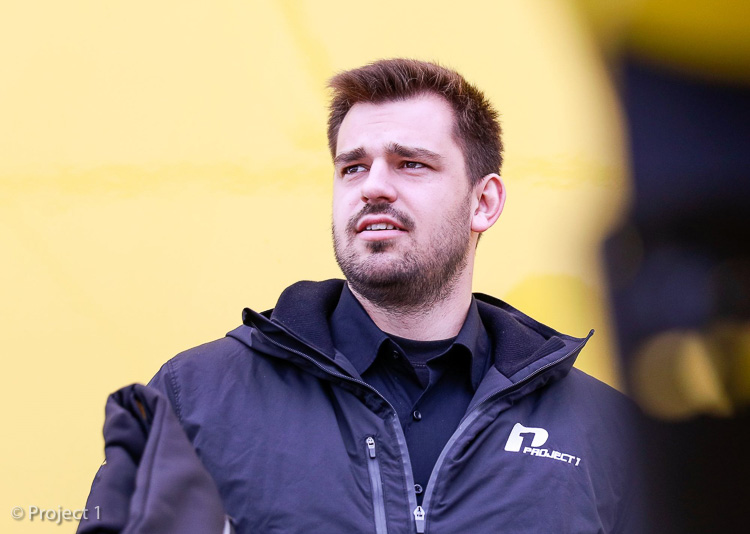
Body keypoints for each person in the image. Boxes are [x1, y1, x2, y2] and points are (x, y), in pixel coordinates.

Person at [89, 59, 643, 533]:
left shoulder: (606, 430)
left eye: (411, 164)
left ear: (484, 202)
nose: (374, 186)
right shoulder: (195, 400)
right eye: (353, 167)